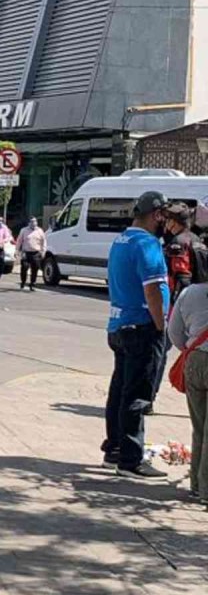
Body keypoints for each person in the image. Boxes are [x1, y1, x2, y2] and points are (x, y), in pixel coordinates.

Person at [102, 191, 170, 480]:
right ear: (156, 215)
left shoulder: (121, 241)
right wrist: (160, 325)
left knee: (119, 390)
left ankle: (115, 449)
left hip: (119, 325)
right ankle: (130, 460)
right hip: (142, 326)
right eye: (164, 216)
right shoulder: (147, 243)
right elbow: (152, 289)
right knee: (137, 394)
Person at [150, 203, 208, 413]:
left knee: (159, 351)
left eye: (168, 220)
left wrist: (174, 308)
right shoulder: (199, 241)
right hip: (201, 306)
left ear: (174, 222)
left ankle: (148, 398)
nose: (165, 224)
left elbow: (181, 277)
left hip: (183, 306)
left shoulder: (177, 244)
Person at [168, 281, 208, 504]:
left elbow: (174, 332)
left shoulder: (189, 292)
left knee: (199, 427)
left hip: (194, 360)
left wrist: (189, 347)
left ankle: (196, 485)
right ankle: (206, 490)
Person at [16, 217, 47, 291]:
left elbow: (44, 241)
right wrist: (17, 250)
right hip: (26, 252)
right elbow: (19, 241)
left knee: (35, 269)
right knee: (24, 267)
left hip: (36, 253)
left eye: (35, 221)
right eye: (32, 221)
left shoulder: (40, 231)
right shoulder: (24, 230)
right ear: (28, 223)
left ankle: (32, 284)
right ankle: (23, 282)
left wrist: (43, 251)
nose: (34, 223)